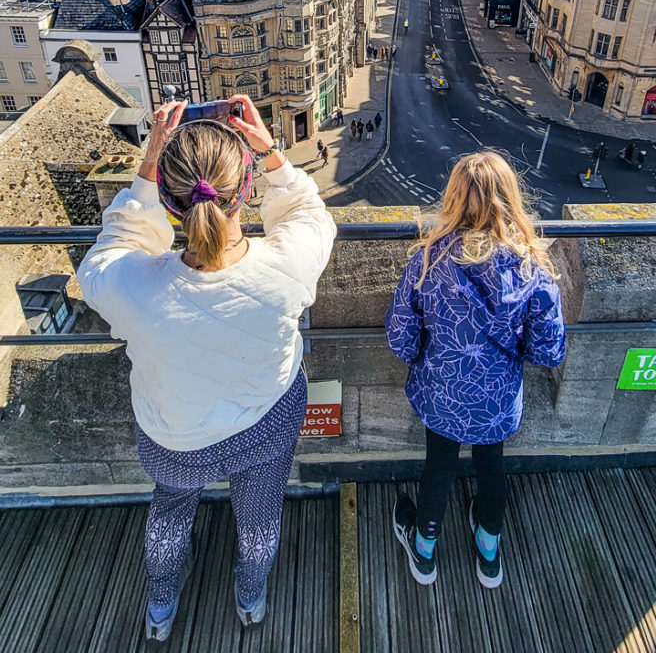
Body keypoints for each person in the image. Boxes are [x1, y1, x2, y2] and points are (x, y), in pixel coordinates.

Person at [77, 96, 336, 640]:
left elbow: (111, 250)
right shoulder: (286, 269)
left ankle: (162, 606)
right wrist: (270, 152)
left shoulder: (133, 289)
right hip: (265, 424)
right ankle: (250, 598)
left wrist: (148, 166)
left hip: (174, 434)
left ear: (173, 207)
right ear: (244, 191)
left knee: (169, 514)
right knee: (259, 519)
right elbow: (311, 215)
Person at [385, 150, 564, 589]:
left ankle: (424, 551)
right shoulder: (531, 269)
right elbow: (549, 350)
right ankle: (488, 549)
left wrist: (423, 359)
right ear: (510, 199)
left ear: (453, 199)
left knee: (439, 467)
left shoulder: (427, 261)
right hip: (497, 398)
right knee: (492, 466)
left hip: (441, 392)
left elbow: (400, 335)